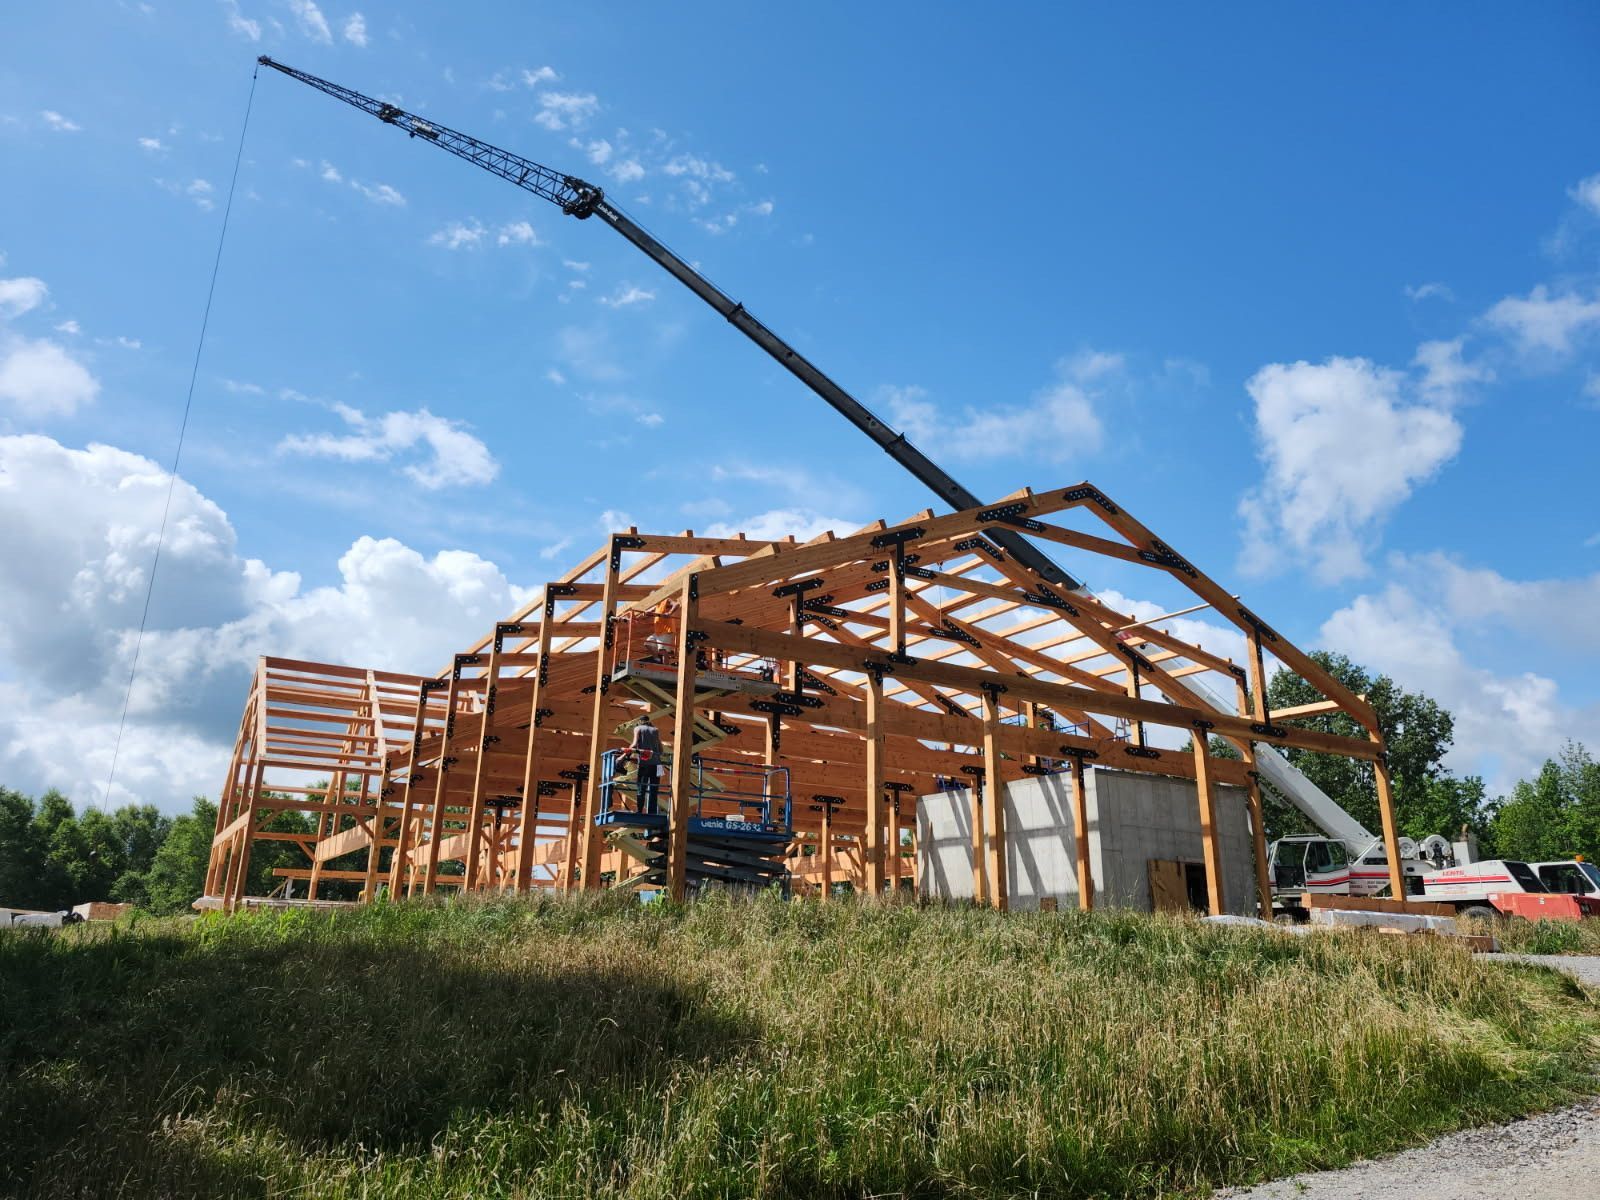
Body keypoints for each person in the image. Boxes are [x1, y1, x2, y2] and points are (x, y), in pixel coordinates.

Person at [620, 713, 664, 815]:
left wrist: (622, 756)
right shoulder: (656, 730)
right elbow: (661, 749)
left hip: (645, 763)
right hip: (657, 764)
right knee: (654, 789)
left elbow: (634, 745)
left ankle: (639, 811)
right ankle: (652, 813)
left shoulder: (638, 728)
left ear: (639, 722)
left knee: (641, 788)